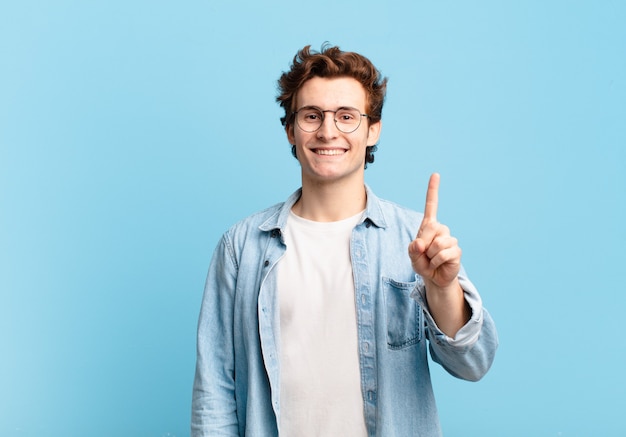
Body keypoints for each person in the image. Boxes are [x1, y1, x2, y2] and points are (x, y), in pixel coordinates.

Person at [191, 44, 498, 437]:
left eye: (346, 116)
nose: (328, 131)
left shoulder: (415, 240)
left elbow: (474, 363)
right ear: (290, 129)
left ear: (373, 130)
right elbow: (214, 391)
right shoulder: (242, 247)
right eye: (312, 116)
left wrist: (442, 288)